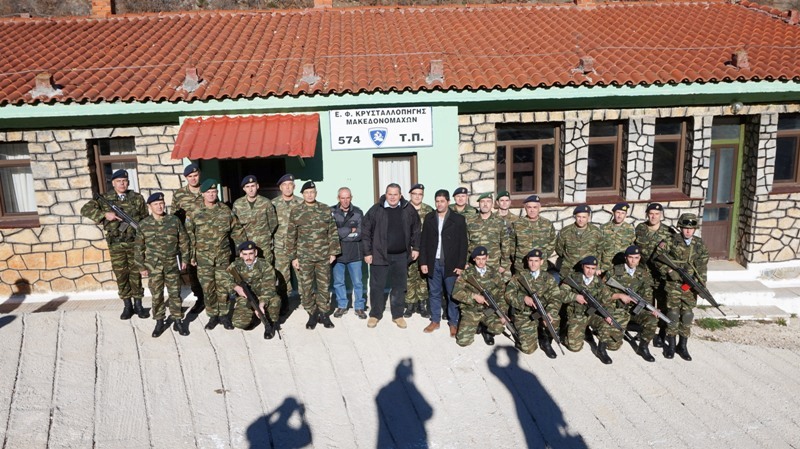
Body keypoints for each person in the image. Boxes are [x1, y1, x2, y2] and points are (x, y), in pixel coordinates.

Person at [81, 169, 148, 320]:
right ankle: (127, 306)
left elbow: (145, 219)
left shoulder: (137, 198)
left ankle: (138, 305)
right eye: (119, 181)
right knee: (121, 274)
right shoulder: (105, 199)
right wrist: (104, 214)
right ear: (113, 183)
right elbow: (85, 209)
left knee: (136, 273)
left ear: (128, 182)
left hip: (135, 243)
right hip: (116, 245)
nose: (122, 184)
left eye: (124, 181)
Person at [186, 179, 246, 330]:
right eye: (208, 192)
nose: (211, 194)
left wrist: (243, 250)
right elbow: (189, 235)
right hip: (203, 258)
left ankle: (224, 315)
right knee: (208, 288)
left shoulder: (225, 210)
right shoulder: (194, 211)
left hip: (222, 256)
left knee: (223, 286)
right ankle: (213, 315)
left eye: (214, 192)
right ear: (203, 194)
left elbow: (237, 230)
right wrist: (191, 256)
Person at [361, 183, 421, 329]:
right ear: (385, 194)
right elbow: (365, 232)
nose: (392, 197)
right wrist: (367, 252)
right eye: (390, 194)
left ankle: (398, 315)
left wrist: (416, 247)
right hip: (379, 255)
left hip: (401, 256)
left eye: (395, 194)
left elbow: (416, 229)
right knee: (377, 286)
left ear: (400, 195)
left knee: (399, 287)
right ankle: (375, 314)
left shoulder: (408, 209)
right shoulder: (376, 209)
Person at [134, 192, 191, 337]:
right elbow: (139, 247)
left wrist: (185, 259)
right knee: (157, 295)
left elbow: (184, 241)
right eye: (156, 204)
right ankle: (159, 321)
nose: (159, 207)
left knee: (175, 293)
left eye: (161, 203)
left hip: (171, 264)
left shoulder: (173, 221)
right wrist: (141, 267)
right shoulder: (144, 224)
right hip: (153, 266)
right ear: (149, 206)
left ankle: (178, 320)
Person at [286, 181, 340, 330]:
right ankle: (312, 314)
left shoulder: (324, 209)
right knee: (306, 288)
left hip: (323, 256)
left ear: (316, 193)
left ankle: (324, 314)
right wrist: (293, 257)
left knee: (324, 287)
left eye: (312, 192)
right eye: (307, 192)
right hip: (304, 257)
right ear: (302, 194)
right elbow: (291, 235)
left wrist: (333, 252)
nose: (310, 195)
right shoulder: (296, 211)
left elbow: (332, 231)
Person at [655, 213, 708, 361]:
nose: (688, 231)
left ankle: (682, 346)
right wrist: (669, 271)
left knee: (687, 314)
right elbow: (657, 258)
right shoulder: (670, 241)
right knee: (672, 313)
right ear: (680, 228)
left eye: (691, 229)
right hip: (673, 284)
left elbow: (702, 266)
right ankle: (671, 345)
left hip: (689, 285)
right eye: (685, 228)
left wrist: (701, 284)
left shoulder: (699, 244)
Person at [419, 189, 467, 337]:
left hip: (450, 263)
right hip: (433, 262)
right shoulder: (429, 218)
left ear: (448, 202)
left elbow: (463, 244)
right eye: (437, 201)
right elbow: (424, 241)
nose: (439, 204)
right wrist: (423, 262)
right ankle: (435, 320)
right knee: (434, 292)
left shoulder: (458, 219)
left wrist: (460, 265)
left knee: (452, 294)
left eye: (442, 201)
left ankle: (453, 323)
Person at [506, 249, 565, 357]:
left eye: (536, 261)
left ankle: (545, 340)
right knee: (528, 349)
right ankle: (523, 332)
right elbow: (508, 295)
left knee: (554, 321)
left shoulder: (548, 278)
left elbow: (556, 297)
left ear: (541, 262)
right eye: (531, 260)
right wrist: (523, 299)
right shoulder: (519, 277)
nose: (533, 264)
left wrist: (550, 312)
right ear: (527, 261)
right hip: (524, 315)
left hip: (543, 312)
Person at [604, 245, 658, 362]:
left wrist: (651, 309)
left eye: (636, 258)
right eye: (631, 257)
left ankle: (643, 347)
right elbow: (601, 294)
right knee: (613, 346)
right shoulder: (614, 272)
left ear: (640, 258)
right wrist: (619, 296)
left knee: (652, 319)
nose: (633, 261)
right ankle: (615, 328)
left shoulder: (643, 274)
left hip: (634, 309)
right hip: (617, 309)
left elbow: (647, 294)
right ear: (625, 258)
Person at [562, 256, 618, 364]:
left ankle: (601, 350)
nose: (590, 271)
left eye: (593, 268)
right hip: (577, 315)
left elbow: (607, 301)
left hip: (592, 315)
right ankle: (568, 332)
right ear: (582, 266)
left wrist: (608, 314)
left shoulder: (599, 282)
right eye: (587, 267)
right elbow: (561, 294)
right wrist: (575, 297)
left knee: (607, 321)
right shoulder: (573, 278)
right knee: (574, 347)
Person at [451, 246, 509, 347]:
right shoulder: (467, 274)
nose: (481, 262)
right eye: (478, 259)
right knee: (463, 342)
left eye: (483, 258)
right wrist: (473, 296)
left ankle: (485, 329)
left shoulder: (495, 273)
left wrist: (503, 313)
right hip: (471, 310)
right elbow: (456, 293)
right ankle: (474, 324)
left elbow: (502, 294)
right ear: (474, 259)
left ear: (487, 258)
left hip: (489, 311)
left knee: (499, 328)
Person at [222, 241, 281, 339]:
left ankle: (270, 324)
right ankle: (254, 318)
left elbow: (269, 287)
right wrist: (237, 288)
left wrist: (261, 304)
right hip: (246, 297)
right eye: (245, 254)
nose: (248, 257)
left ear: (256, 253)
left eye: (251, 253)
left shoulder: (265, 266)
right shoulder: (236, 265)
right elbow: (224, 279)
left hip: (263, 295)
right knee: (239, 323)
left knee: (275, 300)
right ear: (241, 254)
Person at [634, 202, 671, 347]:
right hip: (644, 273)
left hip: (660, 275)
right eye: (651, 214)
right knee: (645, 303)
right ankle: (643, 331)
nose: (654, 216)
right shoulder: (640, 228)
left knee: (662, 304)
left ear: (661, 215)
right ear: (647, 215)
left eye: (657, 214)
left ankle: (661, 334)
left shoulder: (668, 232)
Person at [171, 163, 206, 314]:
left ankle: (211, 298)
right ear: (186, 178)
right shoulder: (179, 195)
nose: (193, 179)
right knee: (193, 271)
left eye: (195, 175)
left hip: (206, 237)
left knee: (207, 269)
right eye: (190, 176)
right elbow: (174, 218)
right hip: (188, 239)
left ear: (199, 175)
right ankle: (200, 298)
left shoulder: (207, 190)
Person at [331, 187, 366, 319]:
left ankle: (359, 307)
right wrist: (350, 230)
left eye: (347, 198)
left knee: (357, 282)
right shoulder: (331, 212)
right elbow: (331, 233)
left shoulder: (358, 212)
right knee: (338, 282)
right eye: (342, 198)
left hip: (354, 254)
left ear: (351, 198)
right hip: (337, 253)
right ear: (338, 198)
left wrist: (341, 235)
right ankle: (342, 306)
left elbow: (360, 233)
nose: (345, 201)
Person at [273, 174, 304, 311]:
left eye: (290, 185)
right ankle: (284, 302)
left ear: (294, 187)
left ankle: (306, 302)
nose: (287, 187)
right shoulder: (273, 204)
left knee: (302, 275)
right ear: (280, 188)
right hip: (280, 247)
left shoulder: (302, 203)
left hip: (299, 246)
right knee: (282, 276)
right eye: (284, 185)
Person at [232, 175, 278, 261]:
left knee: (265, 267)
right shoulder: (238, 204)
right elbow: (235, 226)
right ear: (244, 189)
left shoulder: (266, 203)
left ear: (257, 186)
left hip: (263, 245)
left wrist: (264, 236)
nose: (250, 189)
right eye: (247, 187)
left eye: (253, 186)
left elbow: (273, 224)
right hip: (245, 246)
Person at [405, 183, 434, 318]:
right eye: (415, 194)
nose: (417, 197)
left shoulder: (428, 210)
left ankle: (422, 305)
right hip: (409, 249)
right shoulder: (404, 209)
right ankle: (410, 305)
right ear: (410, 195)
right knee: (409, 277)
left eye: (420, 194)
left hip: (425, 249)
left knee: (423, 277)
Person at [466, 192, 511, 276]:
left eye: (488, 201)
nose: (485, 204)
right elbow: (465, 243)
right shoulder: (470, 221)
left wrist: (504, 264)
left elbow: (505, 244)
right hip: (474, 264)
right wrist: (465, 263)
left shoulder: (499, 221)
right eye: (482, 201)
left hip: (493, 265)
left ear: (492, 204)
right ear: (479, 203)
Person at [555, 204, 603, 279]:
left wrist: (597, 267)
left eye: (584, 217)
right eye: (579, 217)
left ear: (588, 217)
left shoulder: (596, 232)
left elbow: (599, 250)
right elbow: (559, 249)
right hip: (569, 270)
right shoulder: (565, 231)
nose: (581, 220)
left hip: (588, 270)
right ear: (575, 217)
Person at [511, 195, 556, 274]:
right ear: (525, 208)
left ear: (539, 207)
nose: (532, 210)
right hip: (521, 266)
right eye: (529, 207)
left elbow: (552, 242)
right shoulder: (517, 224)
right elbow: (511, 244)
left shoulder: (547, 224)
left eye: (535, 207)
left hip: (540, 266)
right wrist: (519, 257)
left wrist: (543, 255)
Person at [599, 202, 635, 269]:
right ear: (613, 213)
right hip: (606, 266)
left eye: (622, 213)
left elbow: (632, 249)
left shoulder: (630, 229)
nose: (620, 216)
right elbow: (598, 248)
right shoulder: (604, 228)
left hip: (622, 265)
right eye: (618, 212)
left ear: (626, 215)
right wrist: (598, 267)